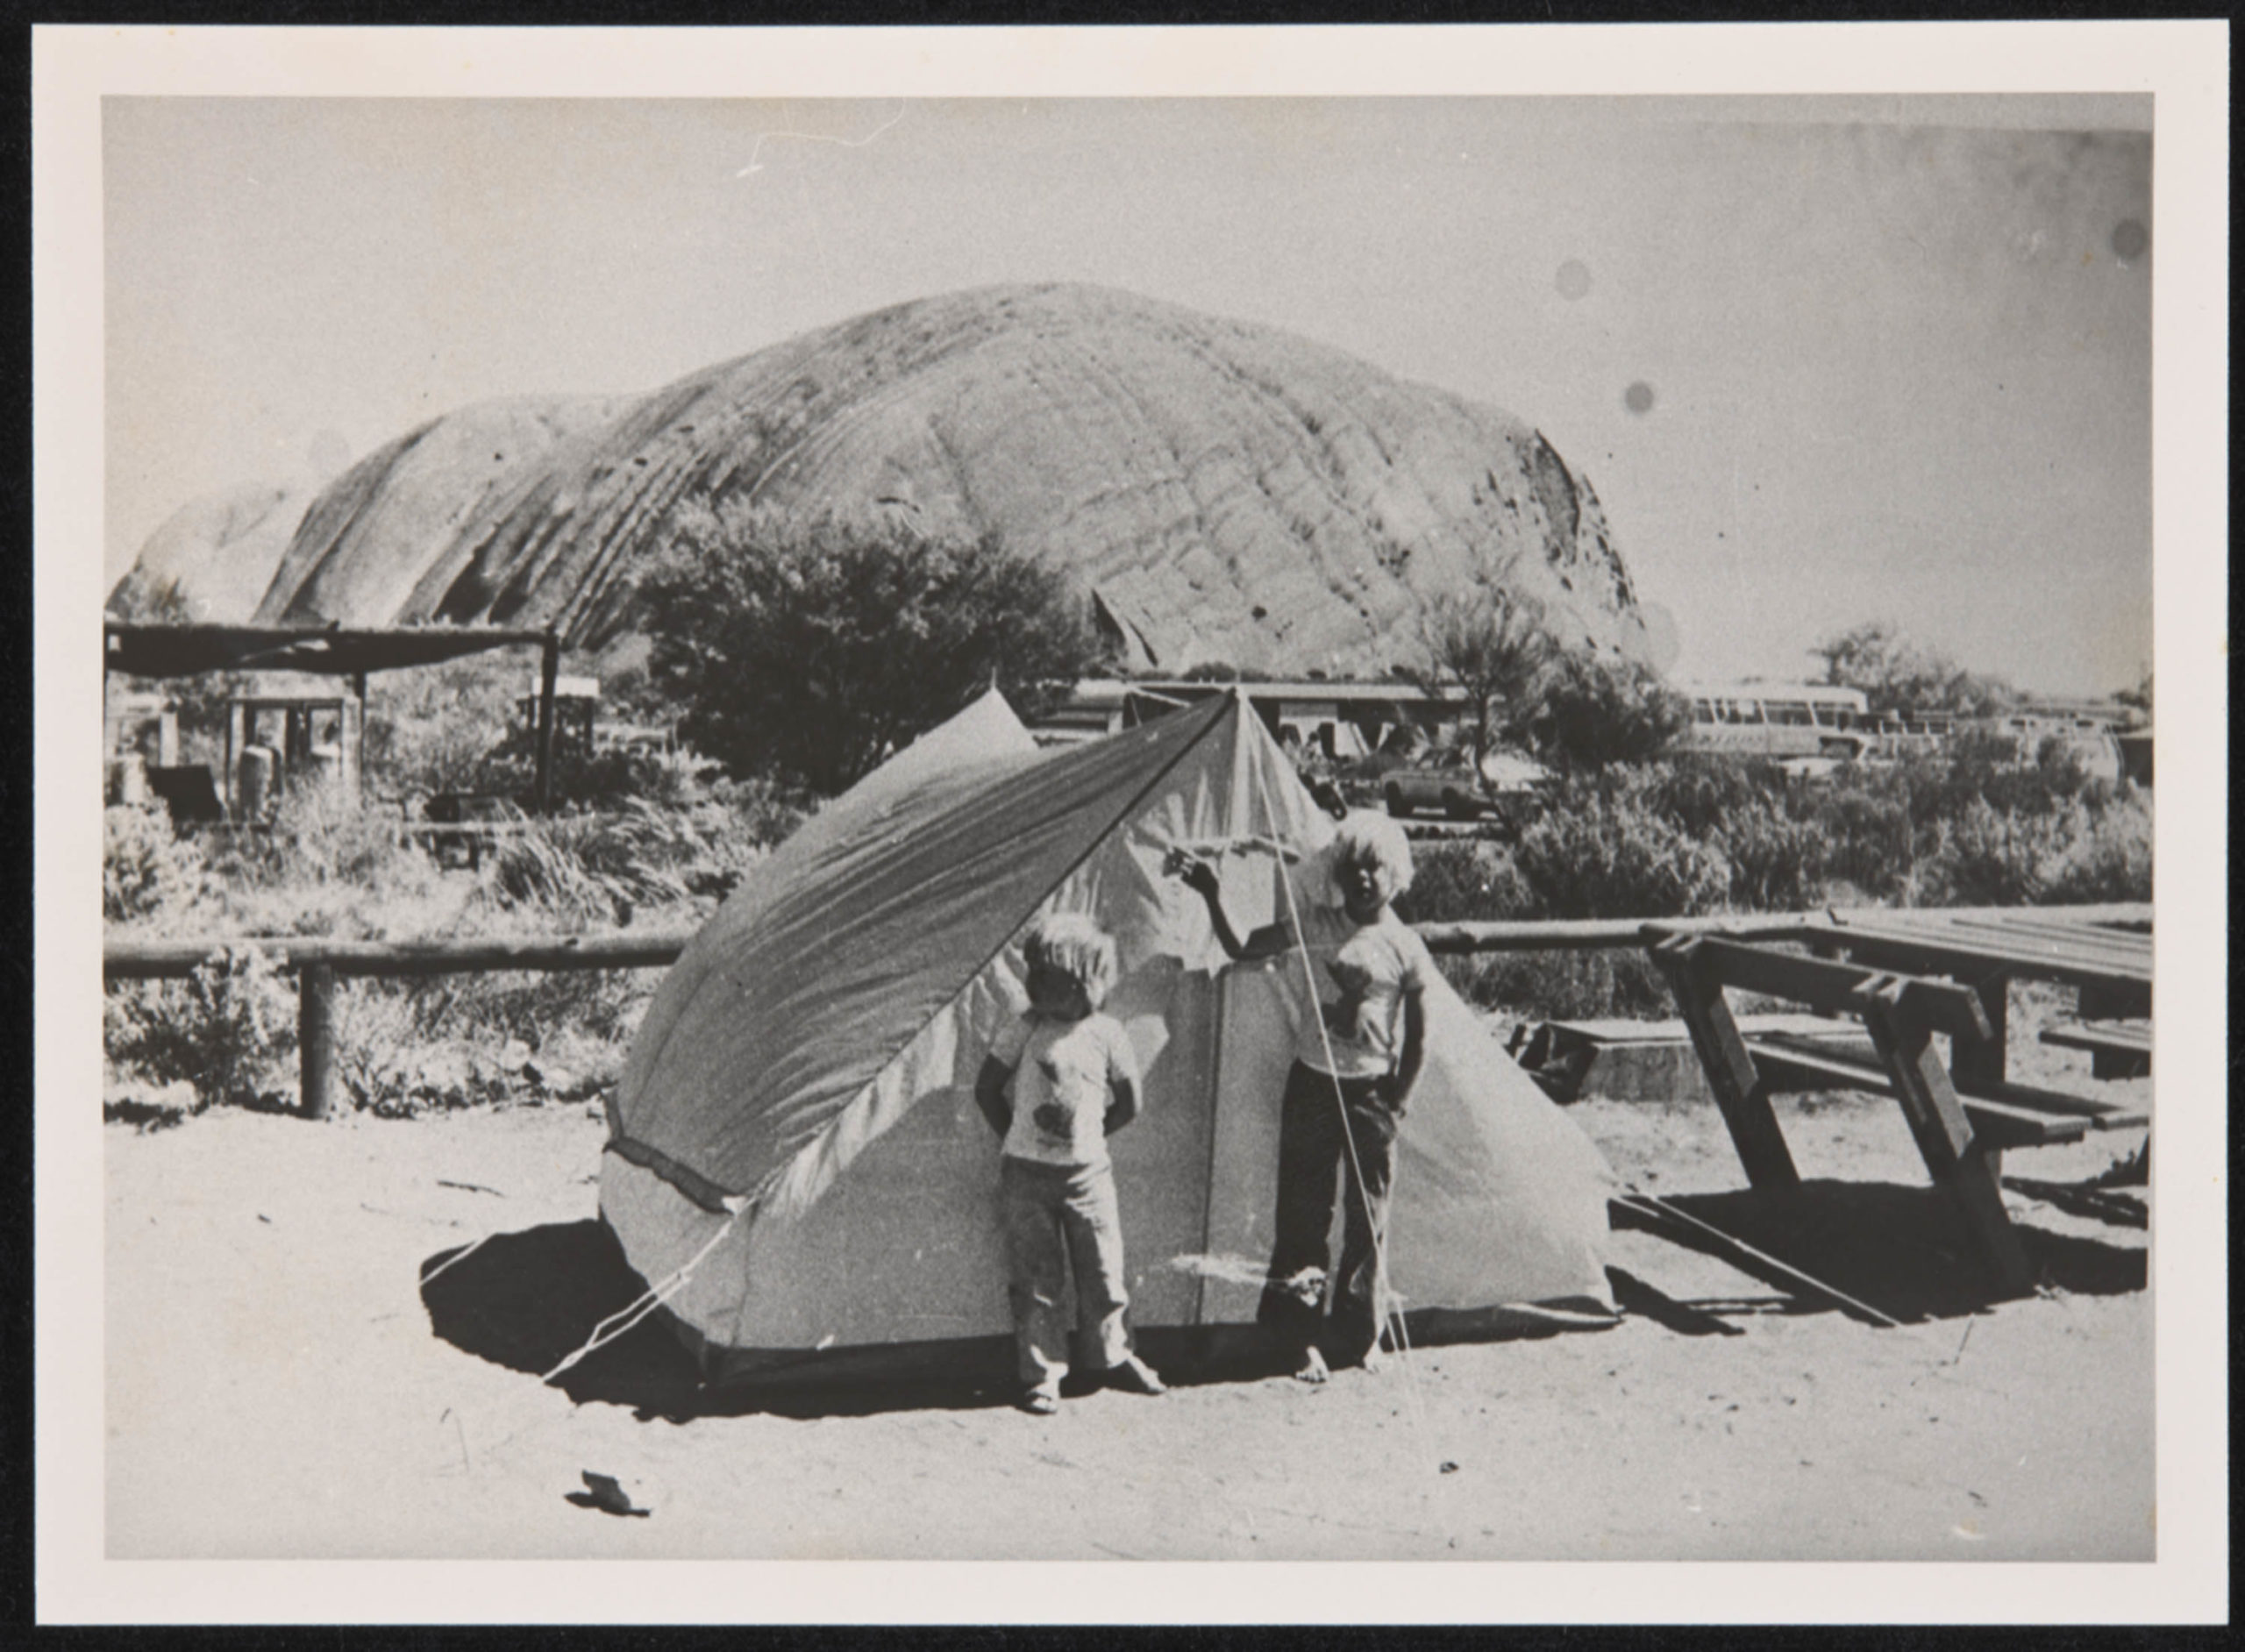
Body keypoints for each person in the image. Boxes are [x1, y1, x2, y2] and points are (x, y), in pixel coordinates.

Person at [1165, 813, 1429, 1382]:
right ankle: (1297, 1340)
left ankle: (1361, 1335)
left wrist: (1397, 1101)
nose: (1362, 878)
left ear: (1397, 874)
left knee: (1369, 1222)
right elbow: (1242, 947)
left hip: (1371, 1097)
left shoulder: (1405, 945)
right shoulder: (1315, 922)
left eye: (1374, 866)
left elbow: (1420, 1036)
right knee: (1304, 1218)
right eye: (1351, 866)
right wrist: (1212, 893)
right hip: (1312, 1085)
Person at [974, 912, 1168, 1415]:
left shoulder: (1106, 1032)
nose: (1032, 982)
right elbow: (986, 1088)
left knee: (1104, 1271)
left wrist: (1092, 1135)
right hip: (1026, 1176)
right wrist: (1016, 1138)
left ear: (1084, 981)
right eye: (1031, 970)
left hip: (1088, 1177)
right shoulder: (1026, 1027)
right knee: (1037, 1278)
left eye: (1046, 974)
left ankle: (1114, 1355)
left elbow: (1130, 1101)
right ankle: (1043, 1374)